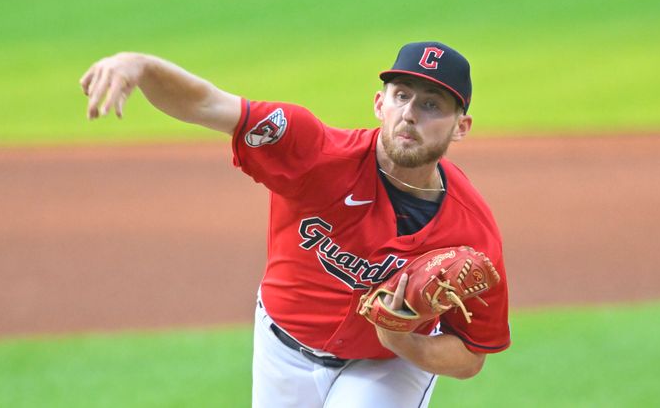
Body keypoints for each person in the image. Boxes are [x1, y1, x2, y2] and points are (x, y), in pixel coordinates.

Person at [80, 41, 510, 408]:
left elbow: (472, 355)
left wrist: (404, 341)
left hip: (388, 365)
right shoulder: (315, 152)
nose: (411, 114)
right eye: (402, 96)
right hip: (281, 349)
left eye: (432, 104)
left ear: (461, 127)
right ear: (379, 103)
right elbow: (207, 103)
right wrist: (138, 65)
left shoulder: (471, 234)